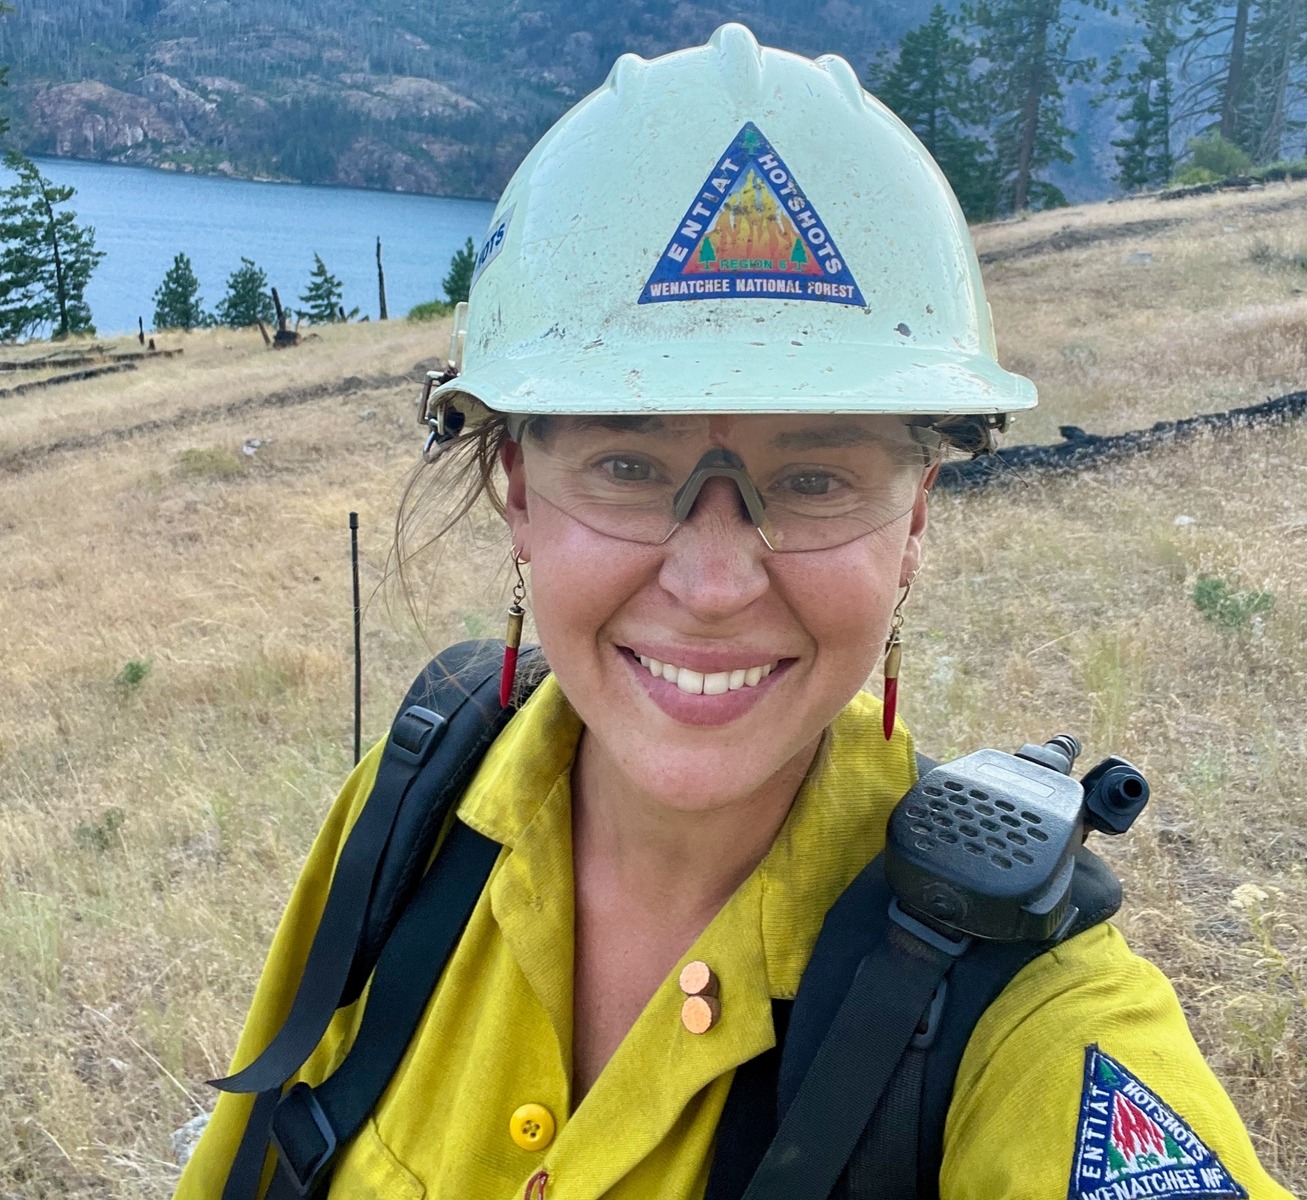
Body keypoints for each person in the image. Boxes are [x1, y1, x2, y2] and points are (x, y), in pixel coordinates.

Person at [176, 24, 1294, 1200]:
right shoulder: (413, 806)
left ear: (914, 515)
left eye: (813, 481)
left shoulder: (1023, 1024)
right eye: (625, 467)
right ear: (515, 490)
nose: (713, 588)